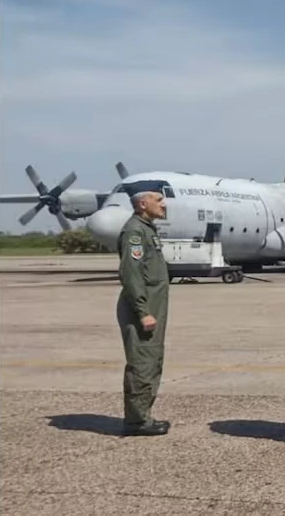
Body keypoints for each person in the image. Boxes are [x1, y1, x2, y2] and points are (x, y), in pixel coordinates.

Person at [115, 180, 171, 436]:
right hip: (143, 308)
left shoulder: (147, 230)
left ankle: (142, 416)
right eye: (158, 199)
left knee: (151, 360)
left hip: (152, 307)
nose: (163, 204)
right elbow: (131, 274)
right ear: (142, 203)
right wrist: (142, 311)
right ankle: (137, 422)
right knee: (142, 363)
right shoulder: (135, 232)